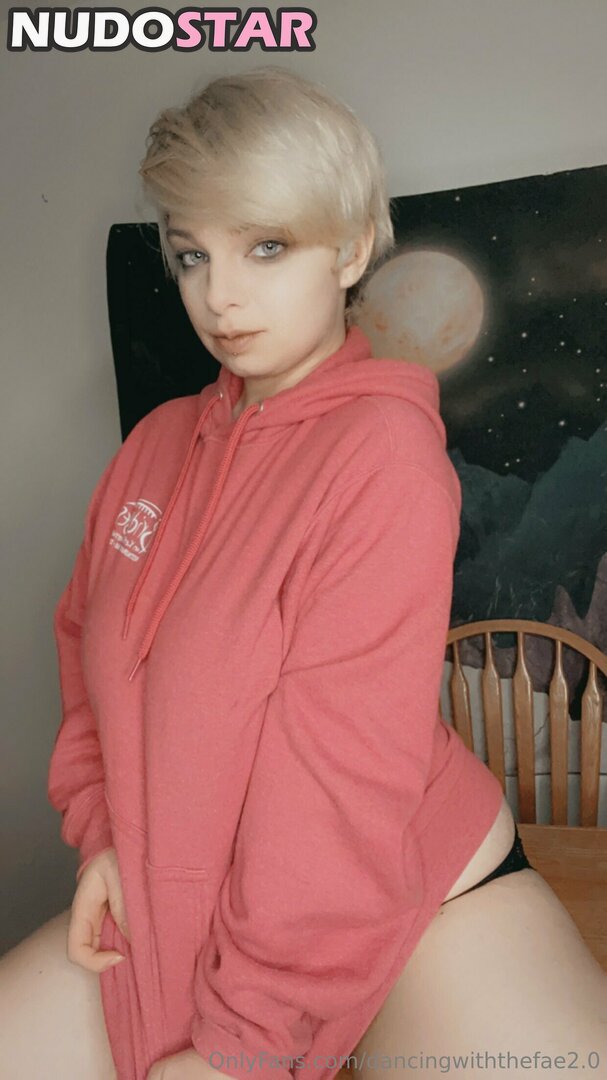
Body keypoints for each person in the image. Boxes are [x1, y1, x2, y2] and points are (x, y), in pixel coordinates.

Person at [1, 66, 605, 1080]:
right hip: (189, 899)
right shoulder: (154, 447)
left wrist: (243, 1043)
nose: (220, 295)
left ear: (352, 249)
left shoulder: (380, 456)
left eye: (266, 247)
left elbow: (334, 783)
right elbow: (84, 654)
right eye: (192, 255)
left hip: (418, 900)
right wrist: (102, 835)